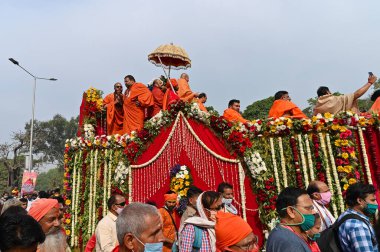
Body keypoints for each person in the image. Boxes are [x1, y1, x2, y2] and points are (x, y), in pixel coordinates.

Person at [266, 187, 318, 252]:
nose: (313, 212)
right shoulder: (289, 241)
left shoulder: (283, 233)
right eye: (308, 208)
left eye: (312, 207)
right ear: (291, 211)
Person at [337, 183, 378, 251]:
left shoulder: (347, 214)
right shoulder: (358, 226)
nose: (376, 204)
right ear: (360, 201)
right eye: (372, 200)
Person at [313, 74, 378, 115]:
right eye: (330, 92)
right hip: (346, 132)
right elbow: (356, 95)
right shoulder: (335, 99)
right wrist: (370, 83)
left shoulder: (316, 108)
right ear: (327, 92)